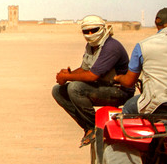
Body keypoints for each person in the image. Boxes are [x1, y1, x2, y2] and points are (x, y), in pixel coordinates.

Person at [51, 15, 131, 146]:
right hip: (102, 86)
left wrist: (67, 77)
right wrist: (68, 74)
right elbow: (84, 69)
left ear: (102, 29)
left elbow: (93, 75)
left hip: (119, 91)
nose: (90, 34)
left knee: (75, 88)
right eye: (86, 31)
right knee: (58, 91)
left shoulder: (111, 47)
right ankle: (89, 126)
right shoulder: (91, 46)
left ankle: (95, 128)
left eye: (94, 30)